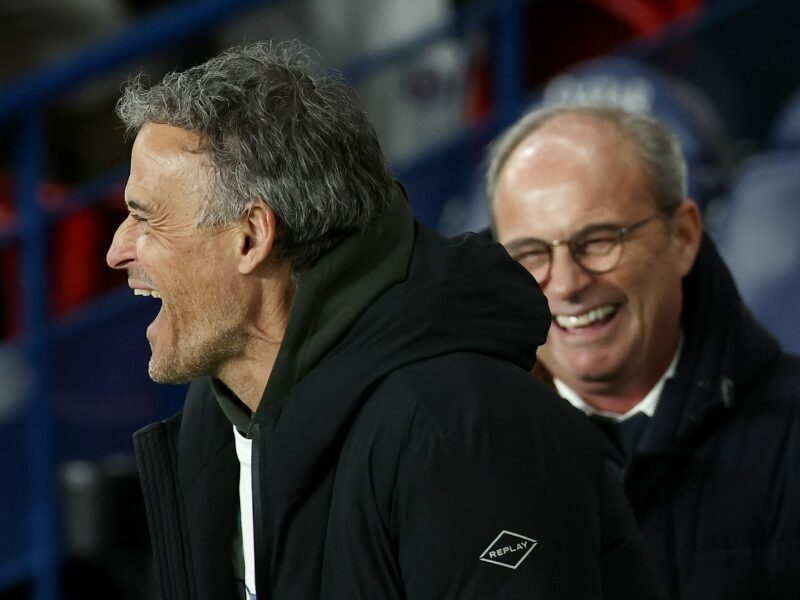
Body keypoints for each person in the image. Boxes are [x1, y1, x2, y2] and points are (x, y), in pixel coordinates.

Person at [106, 43, 666, 599]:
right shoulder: (215, 422)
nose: (116, 252)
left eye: (145, 219)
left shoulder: (465, 430)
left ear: (251, 237)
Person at [487, 103, 800, 599]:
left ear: (683, 237)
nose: (566, 284)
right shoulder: (459, 453)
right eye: (529, 254)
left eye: (598, 240)